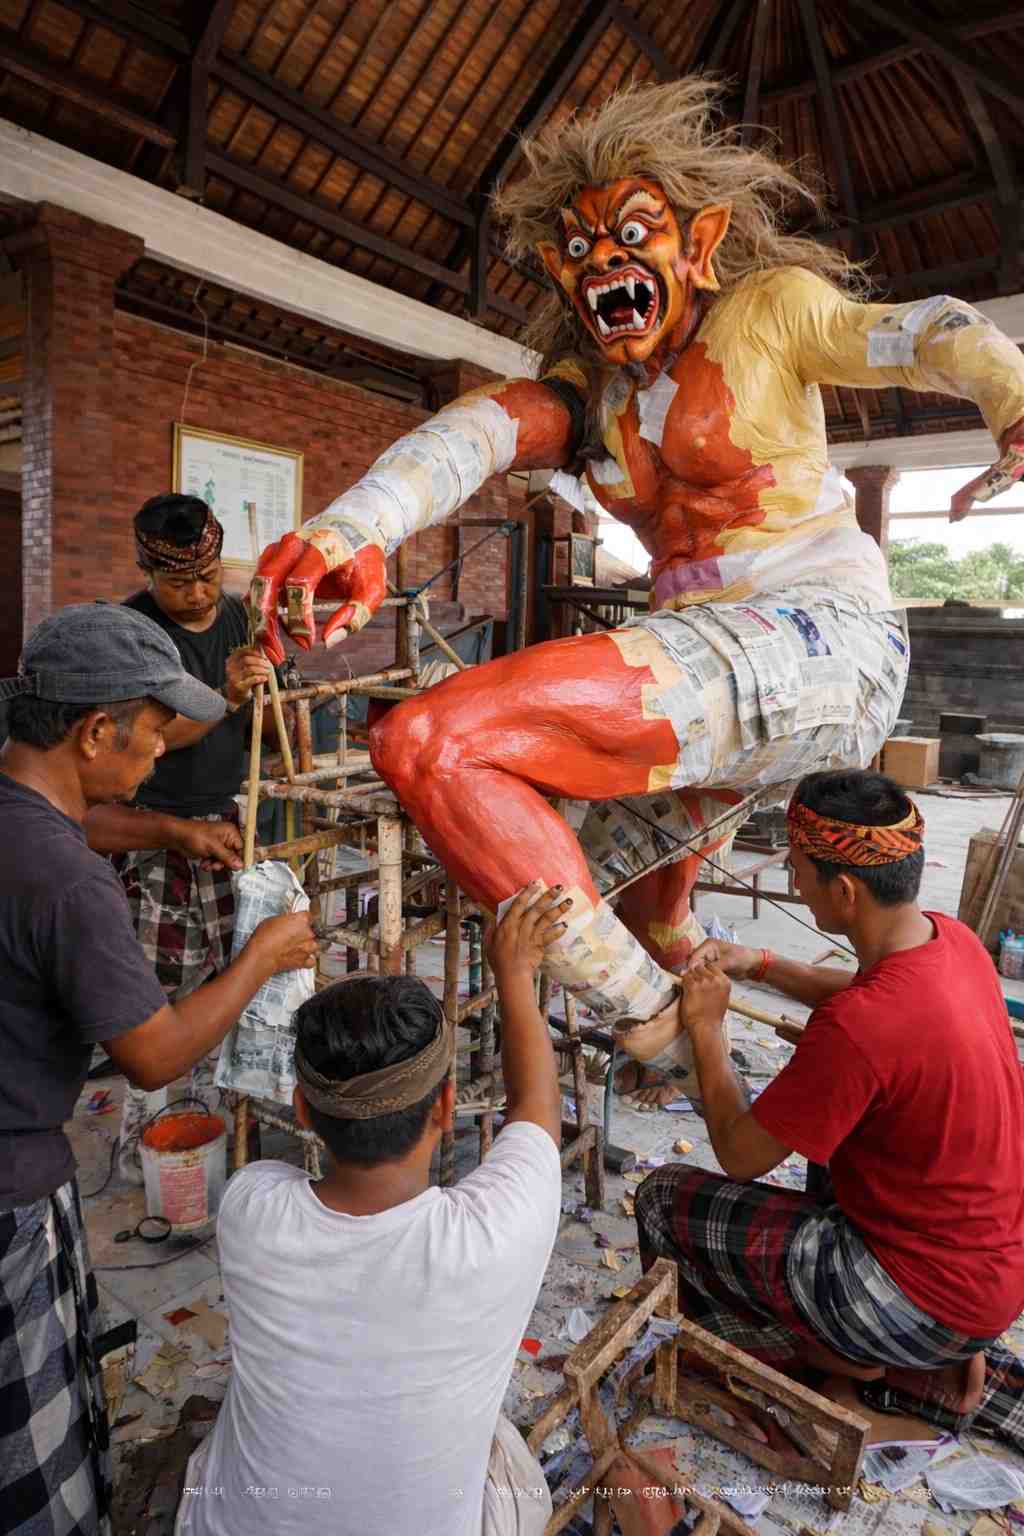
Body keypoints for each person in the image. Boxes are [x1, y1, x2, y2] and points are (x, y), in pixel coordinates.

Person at [248, 78, 1024, 1103]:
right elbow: (475, 432)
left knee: (429, 737)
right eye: (576, 250)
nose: (602, 263)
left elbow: (915, 332)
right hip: (709, 657)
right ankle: (666, 938)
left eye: (630, 234)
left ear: (697, 245)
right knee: (511, 868)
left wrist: (1008, 397)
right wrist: (358, 523)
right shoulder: (589, 399)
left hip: (824, 638)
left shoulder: (768, 313)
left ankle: (651, 1024)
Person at [0, 603, 318, 1536]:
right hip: (12, 1189)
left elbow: (82, 828)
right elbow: (153, 1057)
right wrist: (260, 957)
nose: (157, 758)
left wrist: (172, 836)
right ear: (94, 731)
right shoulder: (65, 883)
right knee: (36, 1462)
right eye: (151, 738)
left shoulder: (22, 815)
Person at [633, 768, 1024, 1451]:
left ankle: (814, 1368)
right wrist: (759, 963)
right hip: (988, 1277)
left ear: (842, 891)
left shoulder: (859, 1026)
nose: (792, 880)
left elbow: (741, 1153)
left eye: (799, 870)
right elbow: (862, 989)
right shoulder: (952, 943)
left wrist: (708, 1029)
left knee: (664, 1199)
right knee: (828, 1146)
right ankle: (886, 1356)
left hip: (925, 1300)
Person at [175, 882, 570, 1536]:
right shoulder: (499, 1233)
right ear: (444, 1109)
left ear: (302, 1112)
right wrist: (515, 973)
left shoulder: (250, 1206)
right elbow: (536, 1113)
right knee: (506, 1459)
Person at [113, 493, 287, 1180]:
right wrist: (227, 694)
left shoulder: (243, 617)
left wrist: (271, 695)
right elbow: (147, 737)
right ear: (149, 572)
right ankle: (142, 1134)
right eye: (180, 581)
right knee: (153, 991)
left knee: (226, 976)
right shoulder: (133, 631)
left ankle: (208, 1122)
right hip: (153, 827)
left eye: (208, 576)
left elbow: (273, 738)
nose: (198, 592)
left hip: (229, 821)